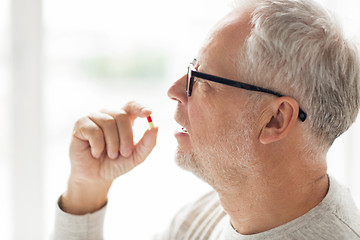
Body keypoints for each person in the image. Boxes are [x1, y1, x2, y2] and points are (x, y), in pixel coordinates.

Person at [52, 0, 360, 239]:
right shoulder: (210, 213)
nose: (174, 91)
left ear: (275, 120)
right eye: (191, 70)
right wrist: (86, 189)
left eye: (203, 80)